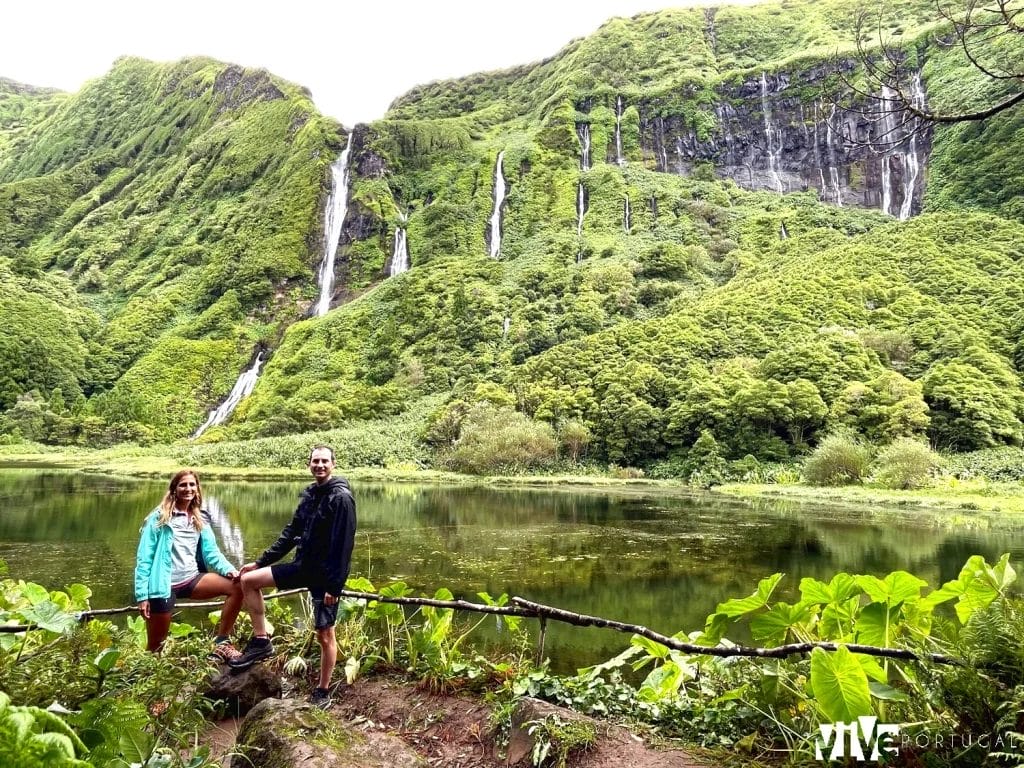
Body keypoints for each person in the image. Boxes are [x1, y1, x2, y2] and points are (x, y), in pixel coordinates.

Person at [231, 445, 356, 709]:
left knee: (325, 634)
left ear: (333, 464)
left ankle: (323, 690)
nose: (319, 465)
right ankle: (261, 641)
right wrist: (260, 562)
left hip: (325, 577)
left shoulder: (341, 498)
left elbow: (343, 546)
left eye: (324, 461)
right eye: (315, 461)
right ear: (309, 465)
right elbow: (290, 534)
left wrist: (335, 586)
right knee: (249, 581)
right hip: (302, 567)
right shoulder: (310, 495)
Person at [134, 469, 245, 661]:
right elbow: (144, 557)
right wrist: (142, 595)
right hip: (163, 586)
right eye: (183, 485)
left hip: (192, 579)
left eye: (192, 485)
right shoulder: (159, 518)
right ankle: (146, 684)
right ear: (174, 489)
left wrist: (229, 570)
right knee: (155, 647)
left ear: (197, 489)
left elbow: (212, 553)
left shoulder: (199, 518)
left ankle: (222, 642)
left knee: (237, 587)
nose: (188, 489)